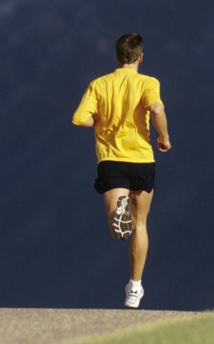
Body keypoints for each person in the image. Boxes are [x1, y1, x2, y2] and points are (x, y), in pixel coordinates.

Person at [72, 32, 171, 308]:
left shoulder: (99, 84)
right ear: (140, 57)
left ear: (116, 58)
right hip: (141, 158)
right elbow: (156, 108)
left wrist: (100, 119)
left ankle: (120, 210)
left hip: (111, 159)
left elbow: (79, 119)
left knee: (118, 231)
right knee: (140, 224)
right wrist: (164, 137)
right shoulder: (148, 82)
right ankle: (135, 288)